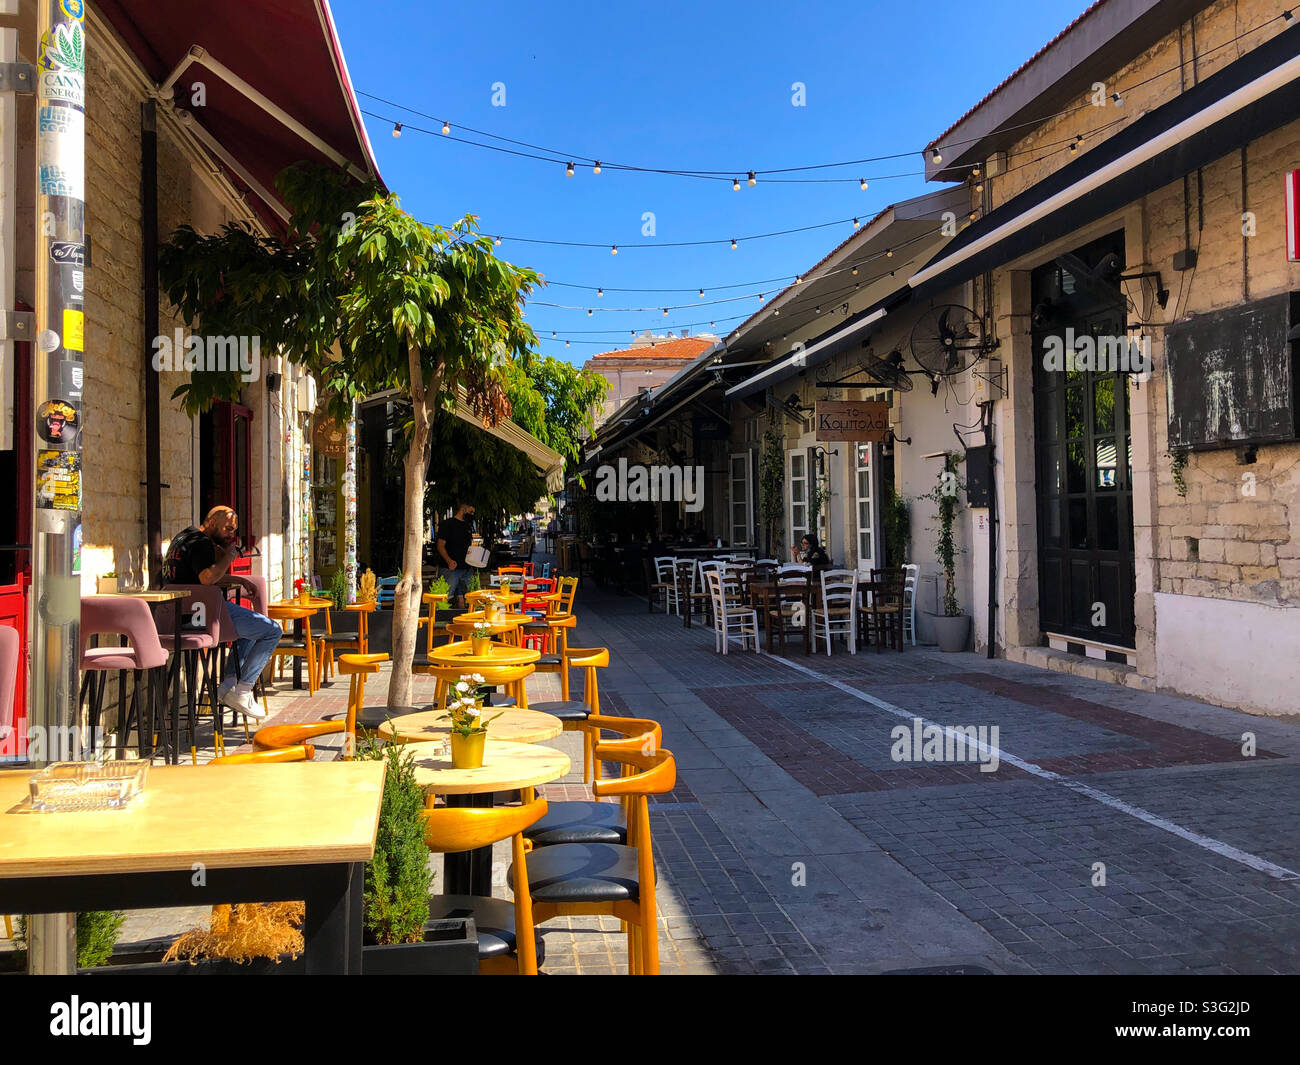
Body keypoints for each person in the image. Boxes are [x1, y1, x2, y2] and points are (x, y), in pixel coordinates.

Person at [161, 506, 279, 721]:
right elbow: (207, 579)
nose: (231, 534)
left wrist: (239, 580)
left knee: (250, 628)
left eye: (234, 530)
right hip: (201, 616)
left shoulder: (185, 537)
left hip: (177, 614)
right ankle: (243, 690)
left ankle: (229, 684)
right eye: (227, 529)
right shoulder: (202, 543)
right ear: (213, 522)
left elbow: (198, 577)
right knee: (271, 630)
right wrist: (229, 557)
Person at [436, 500, 476, 608]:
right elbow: (440, 545)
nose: (472, 515)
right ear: (463, 510)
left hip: (466, 567)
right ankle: (441, 620)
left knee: (466, 598)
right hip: (450, 568)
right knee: (446, 597)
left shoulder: (467, 526)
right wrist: (449, 560)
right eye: (471, 512)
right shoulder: (447, 524)